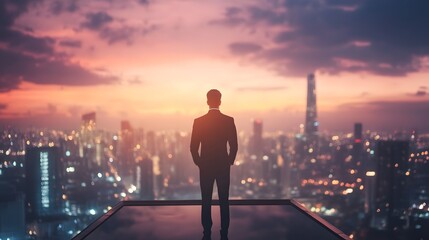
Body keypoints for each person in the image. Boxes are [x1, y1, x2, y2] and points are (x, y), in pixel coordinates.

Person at [190, 89, 238, 240]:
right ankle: (224, 231)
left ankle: (207, 231)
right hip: (223, 166)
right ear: (220, 101)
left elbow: (193, 147)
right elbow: (234, 145)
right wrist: (229, 162)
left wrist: (200, 163)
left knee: (206, 199)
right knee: (224, 199)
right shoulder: (228, 120)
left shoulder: (199, 121)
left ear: (207, 101)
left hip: (206, 167)